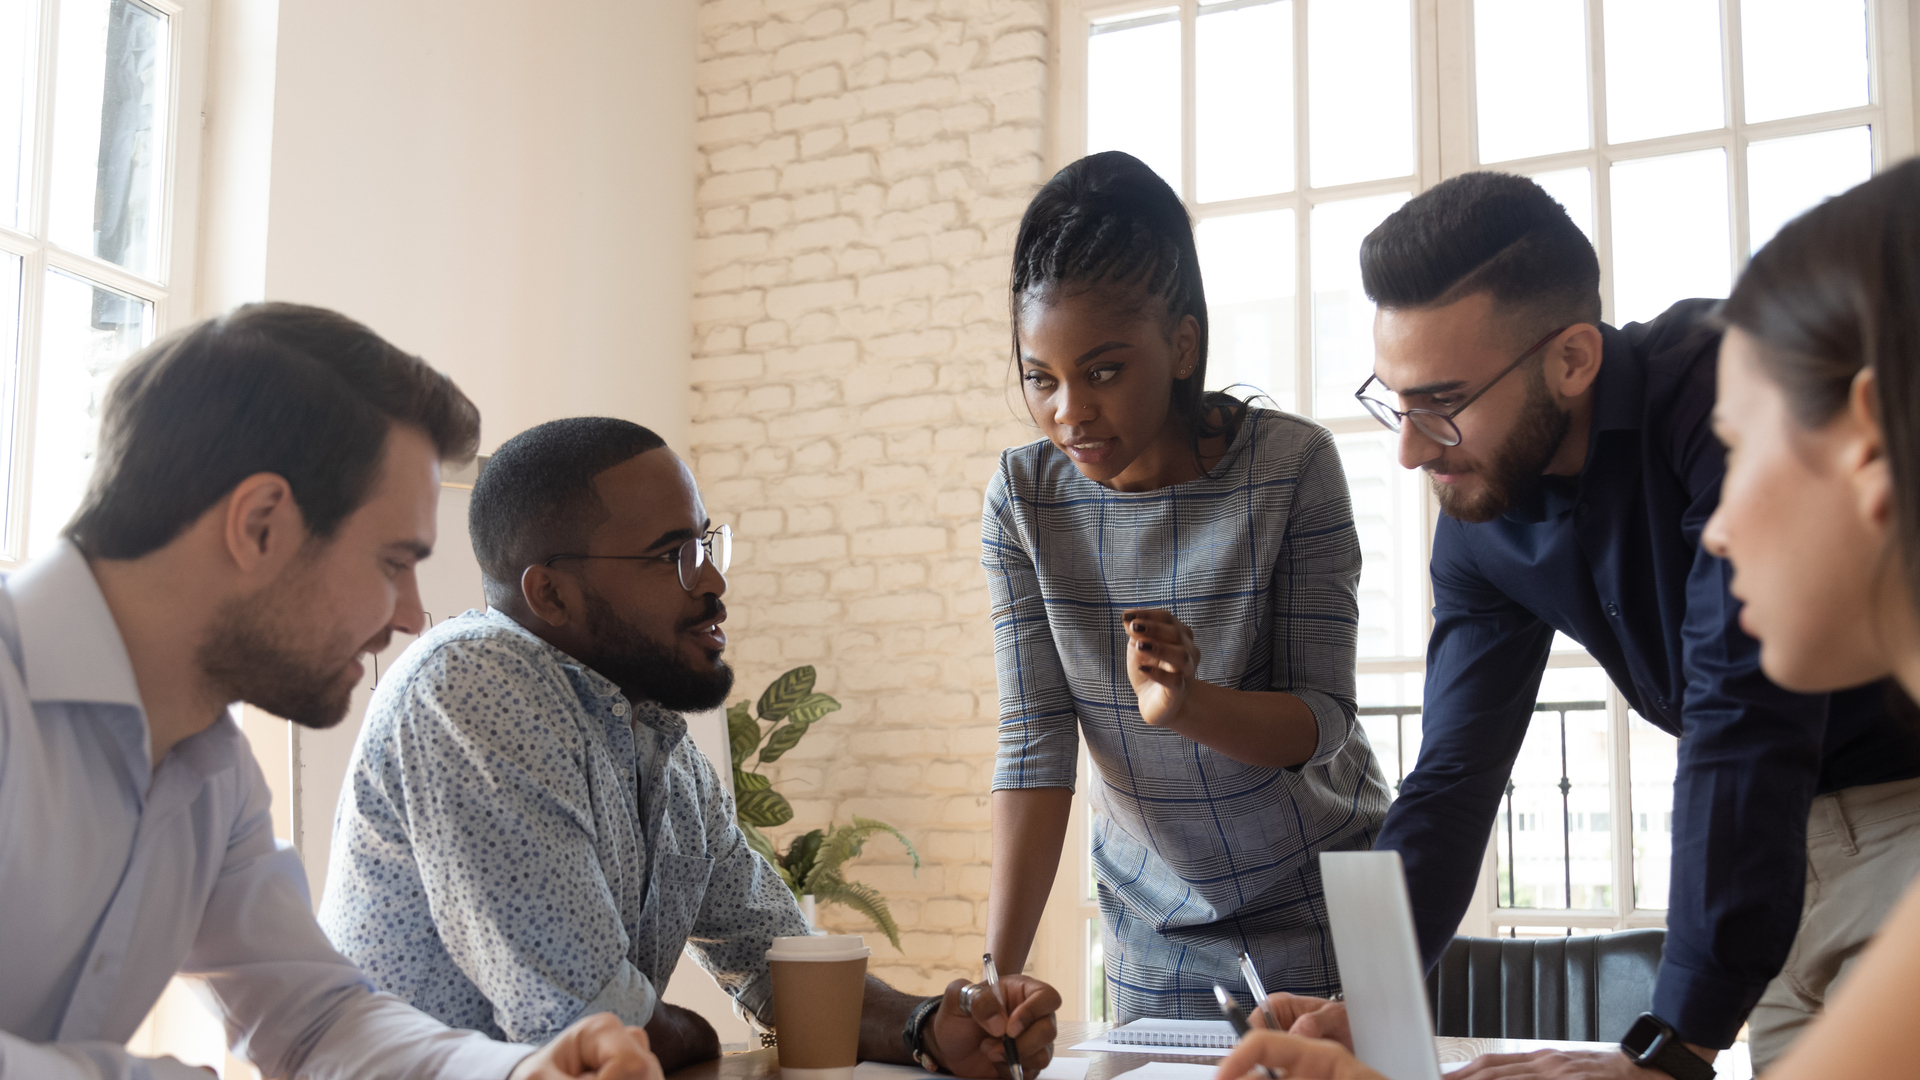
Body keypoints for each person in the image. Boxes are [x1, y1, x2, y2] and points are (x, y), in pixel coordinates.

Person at [1215, 157, 1920, 1080]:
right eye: (1395, 400)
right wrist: (1370, 1006)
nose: (1409, 448)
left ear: (1574, 358)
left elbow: (1740, 706)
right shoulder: (1478, 515)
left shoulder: (1723, 383)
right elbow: (1455, 775)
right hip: (1769, 870)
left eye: (1444, 404)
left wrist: (1667, 1052)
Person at [0, 304, 659, 1080]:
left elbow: (313, 1021)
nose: (414, 617)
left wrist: (518, 1075)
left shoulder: (213, 773)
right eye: (392, 562)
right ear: (261, 524)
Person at [318, 416, 1063, 1076]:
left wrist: (927, 1026)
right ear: (550, 595)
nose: (711, 581)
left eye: (708, 543)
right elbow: (590, 1026)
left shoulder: (657, 743)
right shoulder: (472, 686)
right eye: (672, 553)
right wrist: (694, 1034)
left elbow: (782, 963)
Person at [981, 150, 1390, 1021]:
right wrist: (994, 981)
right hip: (1154, 931)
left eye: (1101, 371)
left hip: (1334, 908)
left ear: (1181, 344)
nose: (1069, 413)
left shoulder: (1290, 467)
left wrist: (1188, 704)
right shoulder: (1022, 499)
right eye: (1039, 378)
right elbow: (1034, 748)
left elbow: (1322, 720)